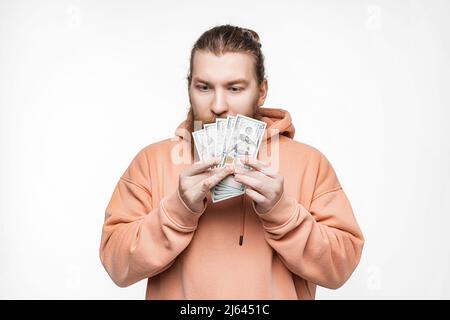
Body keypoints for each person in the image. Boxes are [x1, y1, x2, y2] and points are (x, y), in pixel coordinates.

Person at [99, 24, 364, 299]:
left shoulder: (311, 163)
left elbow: (340, 267)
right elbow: (117, 264)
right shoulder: (150, 162)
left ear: (261, 91)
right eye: (204, 87)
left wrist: (283, 213)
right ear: (189, 87)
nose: (218, 105)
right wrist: (176, 211)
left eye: (235, 88)